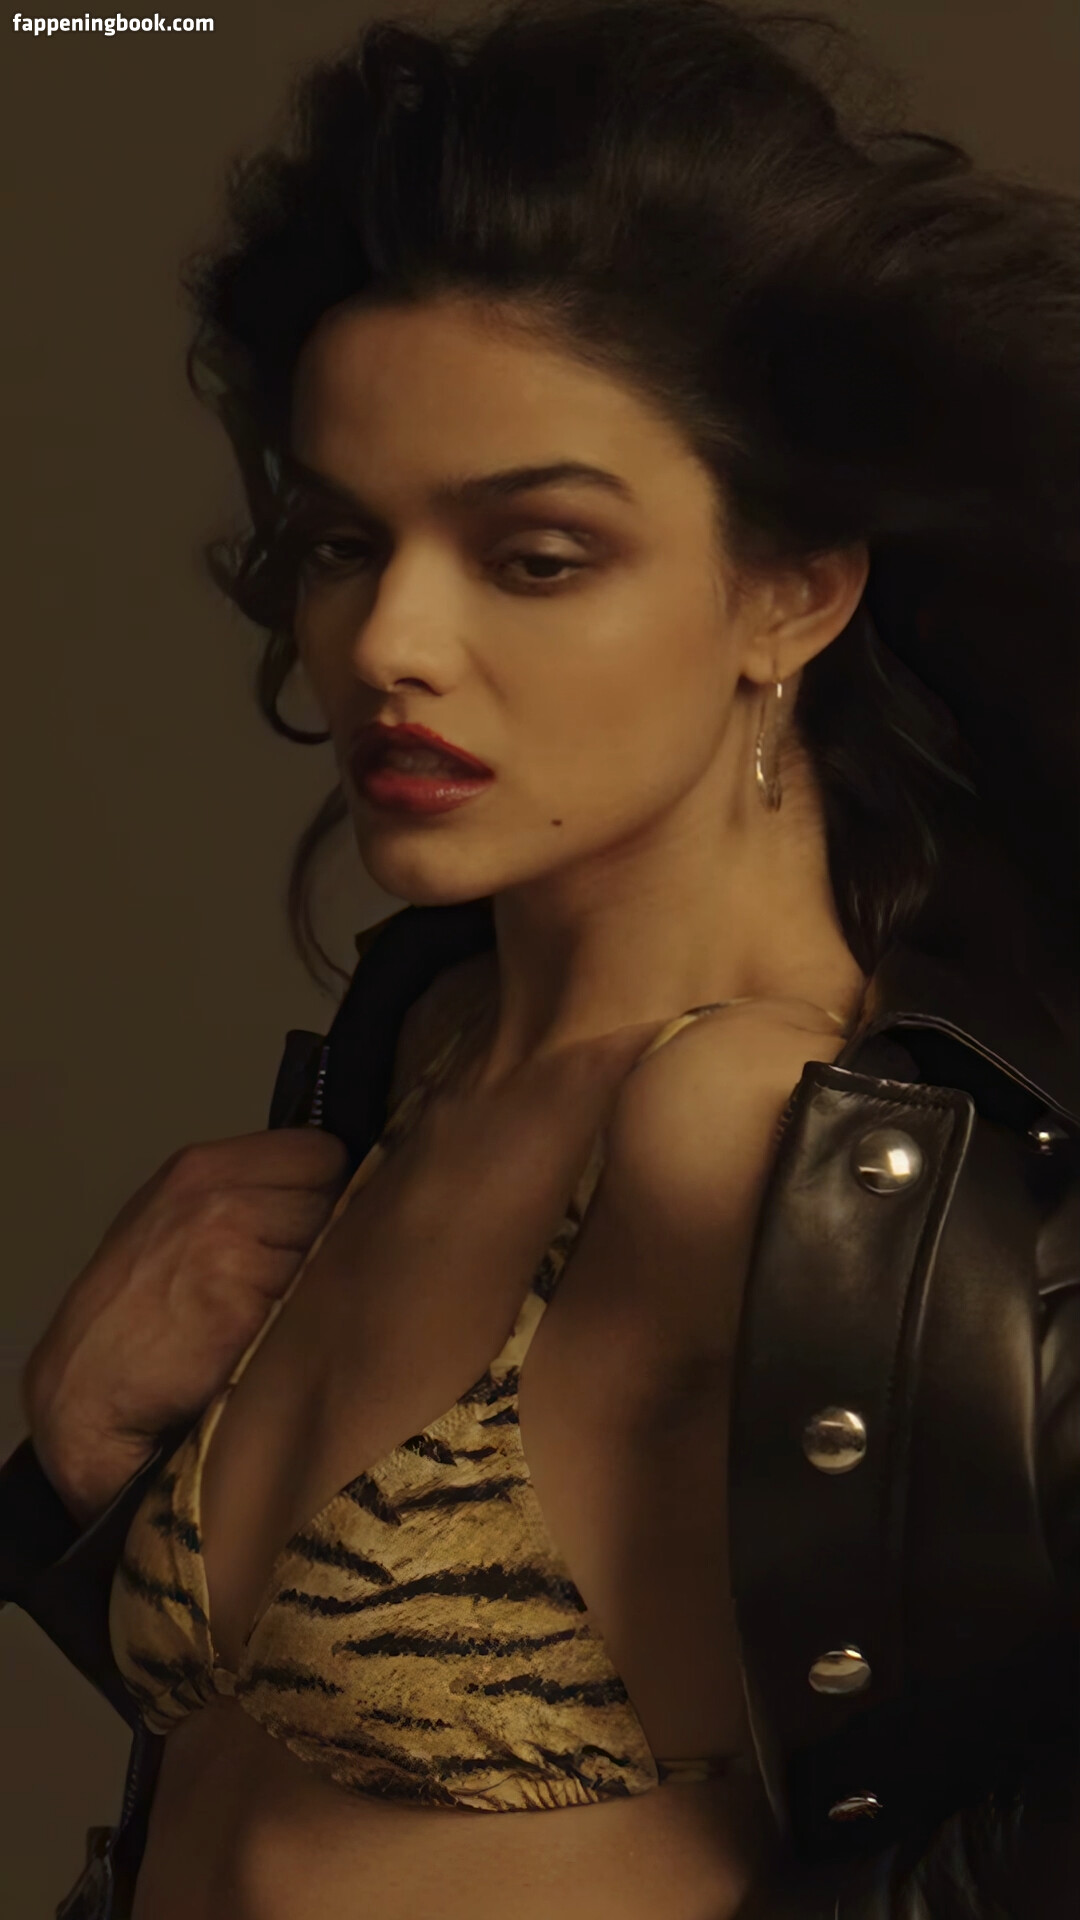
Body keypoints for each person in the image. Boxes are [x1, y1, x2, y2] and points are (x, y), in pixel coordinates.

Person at [2, 3, 1077, 1917]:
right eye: (345, 543)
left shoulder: (749, 1135)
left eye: (536, 556)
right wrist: (80, 1481)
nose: (388, 643)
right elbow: (314, 1781)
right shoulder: (423, 1041)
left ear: (792, 589)